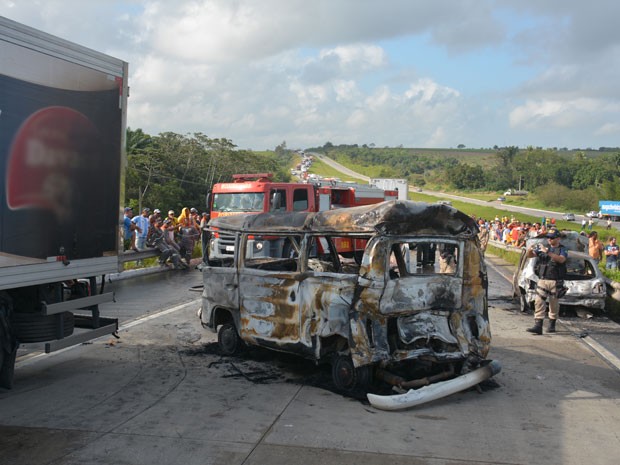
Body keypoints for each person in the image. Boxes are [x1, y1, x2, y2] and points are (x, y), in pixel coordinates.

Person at [526, 228, 568, 335]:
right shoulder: (544, 248)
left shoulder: (562, 249)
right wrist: (530, 250)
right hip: (543, 279)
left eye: (552, 238)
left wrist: (548, 252)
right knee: (538, 302)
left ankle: (552, 324)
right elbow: (530, 256)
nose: (549, 239)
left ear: (558, 238)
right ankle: (538, 325)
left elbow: (561, 260)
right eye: (548, 237)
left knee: (553, 304)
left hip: (555, 281)